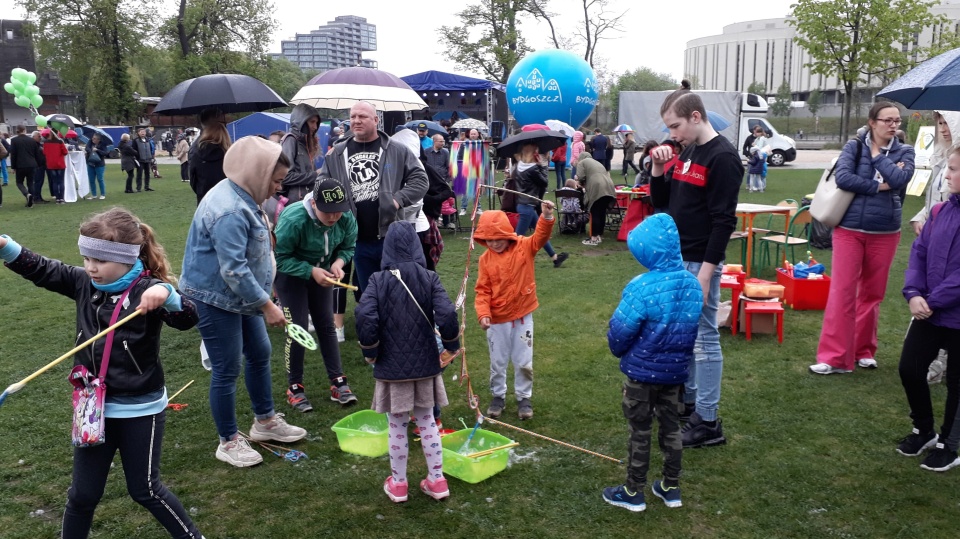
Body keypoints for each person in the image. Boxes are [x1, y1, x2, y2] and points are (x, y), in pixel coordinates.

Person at [0, 208, 204, 538]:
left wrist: (168, 296)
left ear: (126, 258)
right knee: (82, 496)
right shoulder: (84, 283)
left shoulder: (146, 290)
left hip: (140, 409)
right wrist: (5, 246)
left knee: (146, 490)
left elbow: (188, 319)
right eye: (87, 258)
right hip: (92, 407)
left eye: (100, 260)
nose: (91, 267)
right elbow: (42, 268)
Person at [180, 136, 307, 467]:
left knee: (260, 352)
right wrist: (267, 304)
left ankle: (264, 422)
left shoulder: (244, 195)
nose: (278, 189)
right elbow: (234, 271)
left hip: (241, 295)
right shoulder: (230, 210)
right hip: (215, 297)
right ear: (257, 173)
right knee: (227, 367)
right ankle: (228, 440)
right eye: (276, 181)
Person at [649, 89, 743, 449]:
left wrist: (705, 274)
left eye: (675, 125)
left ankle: (708, 420)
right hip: (679, 257)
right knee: (685, 337)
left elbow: (723, 222)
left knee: (704, 339)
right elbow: (665, 205)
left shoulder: (723, 158)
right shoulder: (689, 152)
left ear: (695, 117)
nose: (672, 134)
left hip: (698, 262)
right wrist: (658, 168)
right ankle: (689, 405)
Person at [602, 213, 703, 512]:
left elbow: (621, 330)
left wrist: (616, 348)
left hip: (641, 375)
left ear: (648, 251)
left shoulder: (640, 287)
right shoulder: (693, 284)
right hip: (675, 373)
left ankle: (633, 491)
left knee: (640, 430)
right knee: (672, 429)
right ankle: (671, 487)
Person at [355, 220, 461, 503]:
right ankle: (437, 480)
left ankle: (399, 484)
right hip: (425, 365)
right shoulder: (429, 277)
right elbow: (448, 314)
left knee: (397, 424)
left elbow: (365, 316)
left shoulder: (377, 280)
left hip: (391, 367)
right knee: (427, 421)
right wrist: (451, 345)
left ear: (386, 248)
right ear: (416, 246)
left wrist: (370, 349)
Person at [809, 102, 914, 375]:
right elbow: (843, 178)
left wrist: (879, 157)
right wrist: (879, 186)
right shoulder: (853, 147)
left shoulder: (905, 150)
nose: (893, 125)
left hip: (886, 232)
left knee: (872, 294)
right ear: (872, 122)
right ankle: (835, 358)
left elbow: (901, 179)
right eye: (887, 120)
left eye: (897, 121)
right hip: (849, 230)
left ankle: (863, 350)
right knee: (842, 292)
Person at [317, 101, 428, 294]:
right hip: (356, 238)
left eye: (362, 116)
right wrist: (336, 205)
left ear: (376, 120)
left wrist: (397, 200)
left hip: (390, 234)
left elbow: (420, 180)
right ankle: (372, 324)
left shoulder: (396, 149)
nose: (356, 121)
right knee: (369, 294)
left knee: (397, 290)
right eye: (353, 117)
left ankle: (395, 324)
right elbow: (321, 184)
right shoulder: (337, 154)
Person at [897, 145, 960, 472]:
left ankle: (950, 445)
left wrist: (930, 301)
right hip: (928, 311)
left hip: (951, 315)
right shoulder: (939, 212)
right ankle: (924, 430)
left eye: (953, 169)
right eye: (948, 168)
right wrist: (912, 292)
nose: (947, 175)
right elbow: (918, 255)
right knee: (910, 368)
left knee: (957, 384)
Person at [274, 176, 358, 411]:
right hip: (291, 275)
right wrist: (310, 270)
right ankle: (295, 387)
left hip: (323, 275)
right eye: (326, 211)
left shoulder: (345, 216)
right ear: (313, 204)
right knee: (297, 328)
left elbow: (348, 245)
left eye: (337, 212)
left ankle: (338, 381)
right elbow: (278, 258)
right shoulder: (293, 219)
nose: (333, 217)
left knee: (326, 324)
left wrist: (338, 263)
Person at [474, 200, 558, 420]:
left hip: (523, 317)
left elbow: (540, 238)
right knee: (498, 362)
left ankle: (524, 398)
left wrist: (546, 217)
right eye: (489, 240)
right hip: (497, 320)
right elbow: (482, 291)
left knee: (523, 361)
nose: (494, 243)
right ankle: (498, 396)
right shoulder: (485, 260)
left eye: (498, 238)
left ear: (507, 233)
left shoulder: (524, 246)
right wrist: (483, 314)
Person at [910, 111, 960, 384]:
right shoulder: (941, 158)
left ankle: (941, 362)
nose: (942, 129)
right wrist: (924, 216)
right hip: (937, 232)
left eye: (947, 123)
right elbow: (936, 198)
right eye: (938, 123)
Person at [510, 143, 569, 268]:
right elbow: (544, 182)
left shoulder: (519, 166)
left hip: (524, 204)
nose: (537, 154)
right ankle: (509, 260)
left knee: (540, 234)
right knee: (517, 237)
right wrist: (543, 165)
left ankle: (555, 258)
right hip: (527, 206)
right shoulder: (532, 169)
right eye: (536, 152)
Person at [280, 103, 322, 204]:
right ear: (301, 122)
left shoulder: (306, 143)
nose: (315, 127)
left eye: (316, 123)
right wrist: (315, 175)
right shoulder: (290, 140)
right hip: (295, 203)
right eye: (312, 122)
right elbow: (285, 176)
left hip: (307, 200)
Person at [188, 109, 231, 205]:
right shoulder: (230, 155)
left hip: (204, 202)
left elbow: (193, 181)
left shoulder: (196, 152)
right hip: (226, 202)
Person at [574, 152, 617, 246]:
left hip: (597, 186)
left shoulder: (582, 162)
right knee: (602, 212)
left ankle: (593, 238)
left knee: (595, 211)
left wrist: (579, 183)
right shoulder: (597, 163)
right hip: (609, 185)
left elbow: (580, 176)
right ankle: (599, 236)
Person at [9, 125, 39, 207]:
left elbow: (14, 155)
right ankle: (31, 201)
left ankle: (27, 194)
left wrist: (13, 167)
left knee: (19, 182)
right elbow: (36, 153)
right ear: (25, 130)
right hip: (32, 164)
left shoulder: (14, 140)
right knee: (30, 183)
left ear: (17, 130)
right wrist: (37, 163)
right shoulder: (32, 141)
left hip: (20, 165)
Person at [85, 133, 108, 200]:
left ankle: (102, 194)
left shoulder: (103, 144)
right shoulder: (90, 142)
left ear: (98, 140)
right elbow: (87, 148)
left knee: (100, 179)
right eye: (93, 138)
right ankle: (94, 194)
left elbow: (105, 153)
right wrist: (91, 151)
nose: (93, 139)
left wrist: (97, 150)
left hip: (99, 164)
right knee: (91, 179)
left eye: (94, 138)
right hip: (90, 163)